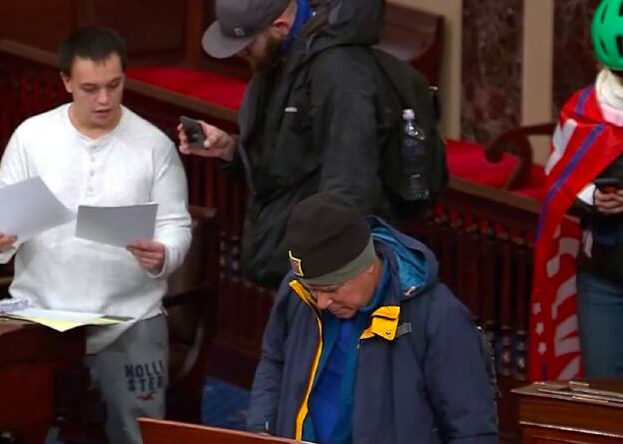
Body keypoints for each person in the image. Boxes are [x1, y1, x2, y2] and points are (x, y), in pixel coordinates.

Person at [0, 26, 192, 444]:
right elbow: (3, 226)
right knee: (22, 429)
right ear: (66, 82)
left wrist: (165, 254)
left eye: (114, 85)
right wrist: (1, 241)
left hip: (129, 317)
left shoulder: (154, 145)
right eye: (90, 88)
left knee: (139, 436)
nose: (104, 100)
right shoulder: (31, 137)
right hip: (41, 314)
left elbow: (176, 224)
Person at [177, 0, 398, 288]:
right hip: (289, 262)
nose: (240, 54)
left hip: (320, 275)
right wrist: (230, 149)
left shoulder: (339, 70)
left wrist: (319, 279)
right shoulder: (282, 57)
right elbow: (284, 161)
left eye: (246, 46)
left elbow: (350, 184)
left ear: (280, 26)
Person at [247, 193, 498, 444]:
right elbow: (274, 361)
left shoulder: (439, 317)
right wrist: (261, 430)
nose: (322, 302)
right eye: (313, 290)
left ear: (367, 266)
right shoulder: (297, 291)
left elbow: (472, 431)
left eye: (332, 289)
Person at [530, 0, 623, 380]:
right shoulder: (584, 110)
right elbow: (559, 180)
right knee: (602, 391)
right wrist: (592, 198)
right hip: (602, 277)